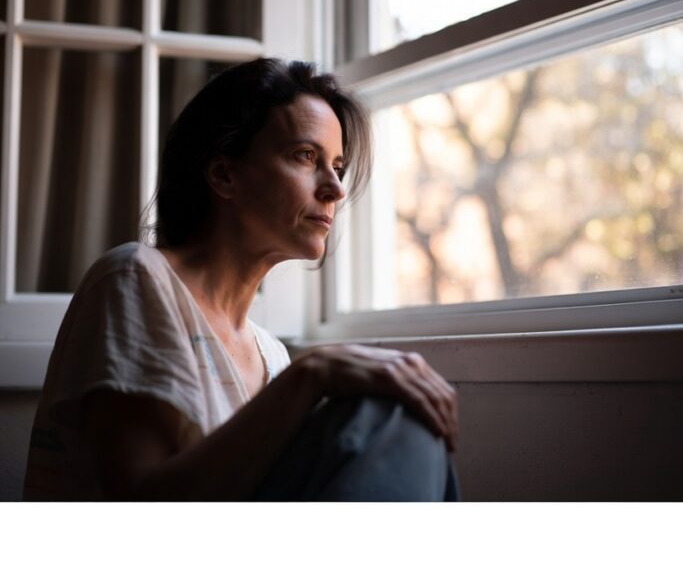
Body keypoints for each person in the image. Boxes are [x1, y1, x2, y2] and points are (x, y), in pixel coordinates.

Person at [23, 58, 460, 501]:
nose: (335, 188)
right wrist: (311, 375)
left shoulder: (272, 357)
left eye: (338, 166)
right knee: (387, 416)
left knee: (402, 415)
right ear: (224, 173)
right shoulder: (135, 277)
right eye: (306, 156)